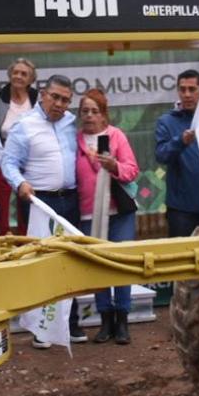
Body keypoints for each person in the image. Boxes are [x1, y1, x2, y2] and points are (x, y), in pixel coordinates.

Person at [0, 75, 85, 345]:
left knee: (72, 261)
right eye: (55, 97)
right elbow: (8, 163)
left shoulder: (73, 123)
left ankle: (71, 325)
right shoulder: (24, 126)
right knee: (41, 263)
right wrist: (20, 183)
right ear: (43, 95)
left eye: (65, 100)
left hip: (70, 201)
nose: (59, 104)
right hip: (39, 203)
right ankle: (41, 329)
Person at [75, 88, 139, 345]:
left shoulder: (116, 136)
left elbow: (132, 170)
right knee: (99, 266)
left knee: (121, 263)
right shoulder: (76, 140)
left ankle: (122, 321)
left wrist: (114, 166)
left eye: (95, 111)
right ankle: (105, 321)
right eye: (85, 111)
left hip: (118, 213)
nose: (89, 116)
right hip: (89, 214)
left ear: (104, 115)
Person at [155, 69, 199, 236]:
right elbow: (161, 155)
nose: (187, 94)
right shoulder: (166, 121)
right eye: (182, 89)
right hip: (182, 210)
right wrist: (180, 142)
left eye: (192, 89)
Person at [0, 58, 39, 235]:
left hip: (31, 162)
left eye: (24, 74)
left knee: (28, 206)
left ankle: (28, 238)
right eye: (15, 73)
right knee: (3, 206)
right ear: (9, 75)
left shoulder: (37, 99)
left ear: (31, 79)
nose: (18, 76)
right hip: (4, 161)